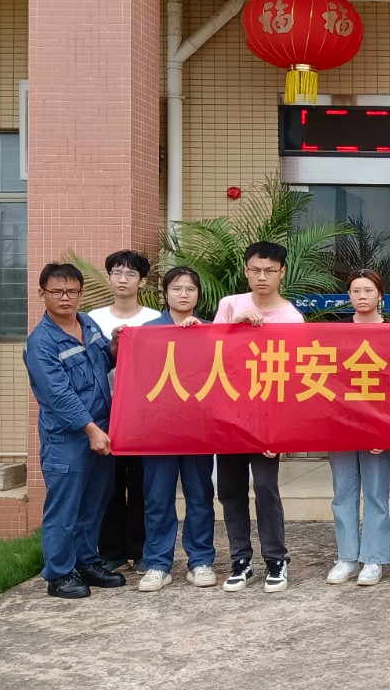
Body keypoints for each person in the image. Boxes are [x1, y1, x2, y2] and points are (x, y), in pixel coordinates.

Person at [24, 262, 125, 598]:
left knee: (94, 503)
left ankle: (86, 562)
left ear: (81, 293)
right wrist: (91, 430)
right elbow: (59, 396)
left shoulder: (88, 324)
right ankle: (59, 574)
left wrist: (116, 344)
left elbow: (104, 362)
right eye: (57, 292)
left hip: (102, 431)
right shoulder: (41, 343)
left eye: (71, 291)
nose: (65, 298)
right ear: (42, 294)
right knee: (65, 508)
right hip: (68, 438)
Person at [214, 241, 305, 593]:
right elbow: (210, 354)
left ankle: (276, 558)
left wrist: (279, 429)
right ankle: (240, 559)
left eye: (269, 271)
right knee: (230, 489)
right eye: (255, 270)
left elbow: (294, 378)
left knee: (266, 487)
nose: (261, 277)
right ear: (246, 271)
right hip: (230, 414)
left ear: (282, 272)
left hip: (267, 417)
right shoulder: (230, 305)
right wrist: (233, 327)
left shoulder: (291, 317)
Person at [136, 266, 217, 592]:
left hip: (199, 429)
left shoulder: (211, 330)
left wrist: (203, 336)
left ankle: (201, 560)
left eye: (190, 289)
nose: (184, 294)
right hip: (159, 430)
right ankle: (158, 563)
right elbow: (137, 380)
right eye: (177, 288)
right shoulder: (147, 332)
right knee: (157, 498)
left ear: (198, 295)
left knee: (200, 496)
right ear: (165, 293)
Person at [89, 249, 161, 572]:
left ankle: (141, 549)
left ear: (142, 281)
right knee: (109, 484)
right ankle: (111, 551)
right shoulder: (92, 319)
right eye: (117, 272)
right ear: (108, 278)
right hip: (105, 413)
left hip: (145, 416)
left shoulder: (154, 320)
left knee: (144, 484)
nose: (123, 279)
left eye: (131, 274)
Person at [326, 269, 390, 587]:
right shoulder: (335, 333)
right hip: (341, 425)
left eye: (368, 290)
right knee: (343, 492)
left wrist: (387, 429)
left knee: (376, 493)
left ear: (380, 295)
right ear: (349, 296)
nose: (362, 296)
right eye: (356, 291)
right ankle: (347, 557)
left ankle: (374, 558)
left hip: (379, 426)